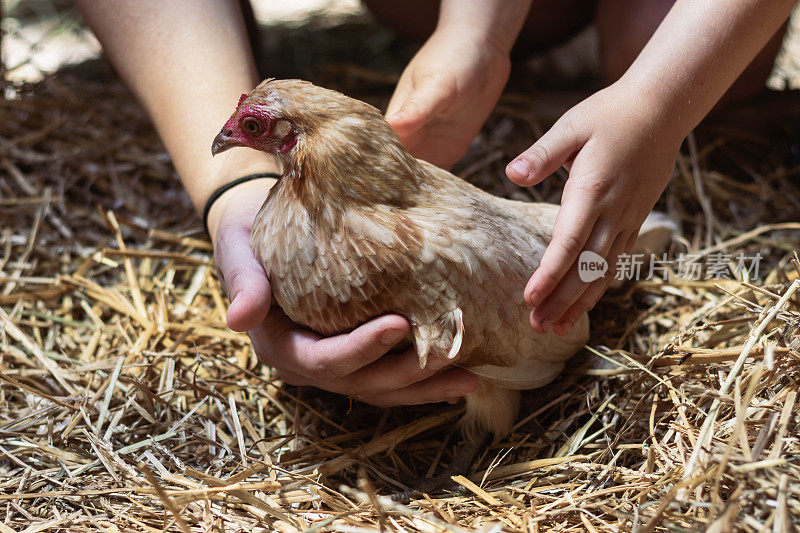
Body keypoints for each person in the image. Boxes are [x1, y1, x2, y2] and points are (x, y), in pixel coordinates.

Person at [76, 0, 794, 407]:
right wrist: (231, 195)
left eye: (255, 132)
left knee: (671, 60)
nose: (231, 138)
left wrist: (654, 100)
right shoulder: (312, 200)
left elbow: (548, 346)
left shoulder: (427, 258)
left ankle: (586, 63)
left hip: (512, 262)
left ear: (297, 140)